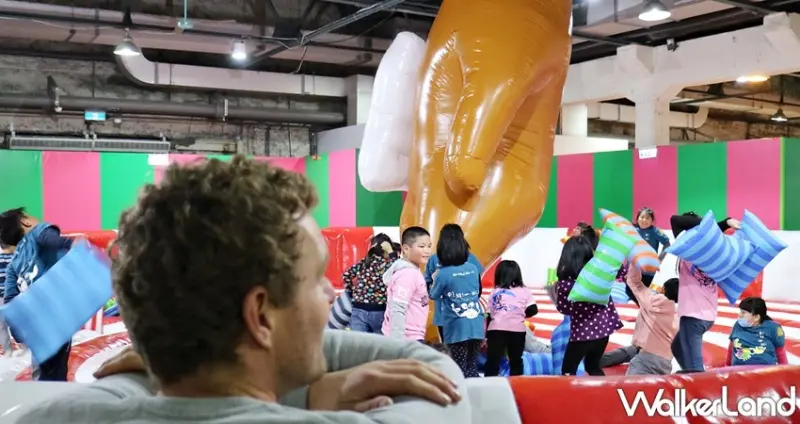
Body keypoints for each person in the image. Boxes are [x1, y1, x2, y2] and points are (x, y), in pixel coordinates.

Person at [13, 156, 469, 424]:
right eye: (315, 282)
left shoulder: (54, 419)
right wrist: (307, 395)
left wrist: (182, 353)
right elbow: (435, 373)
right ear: (261, 316)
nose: (331, 295)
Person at [0, 207, 73, 381]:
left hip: (36, 324)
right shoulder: (38, 231)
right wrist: (69, 243)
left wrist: (19, 330)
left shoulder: (14, 263)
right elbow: (47, 238)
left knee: (42, 366)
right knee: (57, 367)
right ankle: (54, 396)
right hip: (56, 317)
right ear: (26, 222)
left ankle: (41, 389)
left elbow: (10, 300)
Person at [670, 211, 739, 373]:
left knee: (695, 365)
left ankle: (699, 388)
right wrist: (724, 223)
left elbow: (675, 219)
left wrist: (722, 222)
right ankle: (689, 377)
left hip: (694, 315)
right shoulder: (714, 253)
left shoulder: (688, 249)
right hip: (708, 314)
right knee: (677, 347)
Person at [554, 236, 623, 376]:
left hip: (581, 335)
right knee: (593, 367)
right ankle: (600, 395)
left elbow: (564, 309)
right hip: (604, 331)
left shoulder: (566, 284)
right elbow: (621, 271)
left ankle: (571, 397)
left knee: (568, 371)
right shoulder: (600, 277)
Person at [429, 224, 485, 378]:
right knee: (472, 369)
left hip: (456, 326)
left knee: (457, 370)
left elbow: (433, 294)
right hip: (476, 324)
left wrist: (434, 280)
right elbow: (478, 291)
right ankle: (477, 400)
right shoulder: (472, 267)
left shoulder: (442, 273)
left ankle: (461, 400)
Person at [425, 225, 483, 341]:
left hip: (452, 316)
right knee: (466, 355)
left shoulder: (471, 260)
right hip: (465, 317)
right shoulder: (435, 259)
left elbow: (429, 288)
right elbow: (478, 289)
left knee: (452, 354)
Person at [483, 260, 538, 377]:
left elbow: (490, 315)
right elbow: (533, 309)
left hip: (496, 330)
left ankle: (488, 385)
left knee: (493, 361)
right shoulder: (525, 290)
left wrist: (486, 336)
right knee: (516, 360)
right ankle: (516, 386)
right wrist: (518, 313)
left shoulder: (495, 292)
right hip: (517, 330)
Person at [622, 267, 679, 375]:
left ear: (663, 289)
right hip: (666, 361)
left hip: (646, 357)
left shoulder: (652, 301)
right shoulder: (682, 314)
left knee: (629, 389)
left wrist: (635, 262)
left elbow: (634, 282)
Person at [382, 227, 432, 341]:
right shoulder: (407, 274)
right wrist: (397, 344)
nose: (427, 251)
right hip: (407, 339)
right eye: (422, 246)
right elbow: (398, 309)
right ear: (405, 249)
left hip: (411, 336)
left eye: (429, 246)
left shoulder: (413, 270)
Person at [341, 233, 394, 334]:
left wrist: (351, 291)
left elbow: (346, 275)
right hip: (379, 310)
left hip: (358, 308)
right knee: (379, 346)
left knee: (357, 345)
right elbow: (399, 269)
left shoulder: (364, 262)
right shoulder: (388, 264)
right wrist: (391, 252)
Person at [726, 297, 788, 367]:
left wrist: (785, 370)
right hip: (739, 372)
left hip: (764, 372)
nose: (739, 315)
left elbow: (780, 351)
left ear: (756, 317)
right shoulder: (738, 325)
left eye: (743, 313)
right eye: (740, 311)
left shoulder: (773, 327)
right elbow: (731, 347)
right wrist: (727, 366)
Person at [629, 207, 671, 301]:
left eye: (647, 218)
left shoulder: (654, 231)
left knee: (643, 291)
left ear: (652, 220)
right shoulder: (632, 230)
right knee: (630, 290)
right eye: (642, 217)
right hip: (634, 266)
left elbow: (667, 243)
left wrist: (660, 258)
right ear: (637, 218)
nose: (644, 220)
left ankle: (645, 309)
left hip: (648, 268)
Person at [0, 242, 15, 357]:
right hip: (14, 295)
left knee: (1, 325)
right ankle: (25, 346)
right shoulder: (17, 257)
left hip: (1, 296)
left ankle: (7, 349)